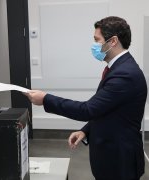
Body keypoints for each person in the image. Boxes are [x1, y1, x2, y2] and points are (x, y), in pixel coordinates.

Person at [25, 16, 147, 180]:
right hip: (111, 155)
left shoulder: (125, 74)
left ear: (113, 41)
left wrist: (46, 99)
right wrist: (86, 130)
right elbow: (107, 110)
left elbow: (88, 109)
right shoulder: (118, 68)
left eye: (97, 40)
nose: (95, 45)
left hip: (119, 160)